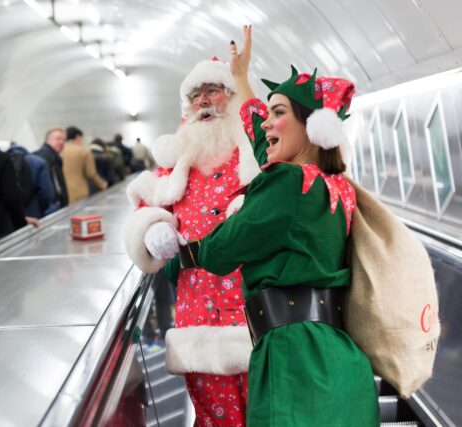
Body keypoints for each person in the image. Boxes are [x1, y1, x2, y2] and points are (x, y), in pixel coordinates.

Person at [165, 27, 379, 425]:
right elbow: (262, 135)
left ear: (312, 126)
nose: (266, 123)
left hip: (294, 358)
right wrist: (242, 79)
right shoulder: (330, 183)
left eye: (278, 113)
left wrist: (185, 253)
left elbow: (226, 246)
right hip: (334, 356)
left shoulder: (287, 183)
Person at [123, 57, 262, 425]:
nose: (204, 102)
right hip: (197, 312)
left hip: (256, 310)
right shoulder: (174, 165)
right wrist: (153, 229)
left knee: (264, 412)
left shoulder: (257, 155)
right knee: (213, 414)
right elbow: (143, 206)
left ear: (230, 98)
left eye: (212, 91)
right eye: (195, 96)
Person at [7, 144, 60, 218]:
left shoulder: (2, 161)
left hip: (12, 216)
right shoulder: (38, 162)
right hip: (35, 214)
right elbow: (46, 193)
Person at [61, 126, 108, 204]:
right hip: (79, 191)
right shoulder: (84, 151)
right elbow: (91, 173)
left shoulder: (60, 151)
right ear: (78, 136)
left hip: (64, 194)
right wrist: (102, 184)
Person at [34, 127, 69, 208]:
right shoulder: (44, 157)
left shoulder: (55, 157)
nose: (61, 142)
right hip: (49, 207)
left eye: (64, 140)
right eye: (58, 139)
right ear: (47, 140)